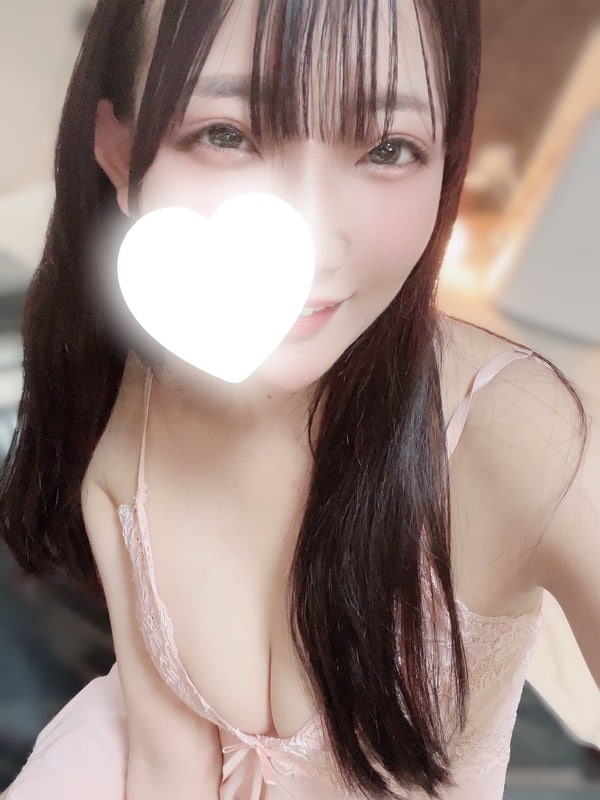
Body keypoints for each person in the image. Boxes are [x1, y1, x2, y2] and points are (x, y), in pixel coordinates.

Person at [1, 1, 599, 798]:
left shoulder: (518, 432)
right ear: (116, 149)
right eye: (225, 134)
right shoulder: (147, 382)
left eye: (388, 148)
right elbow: (168, 765)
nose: (311, 240)